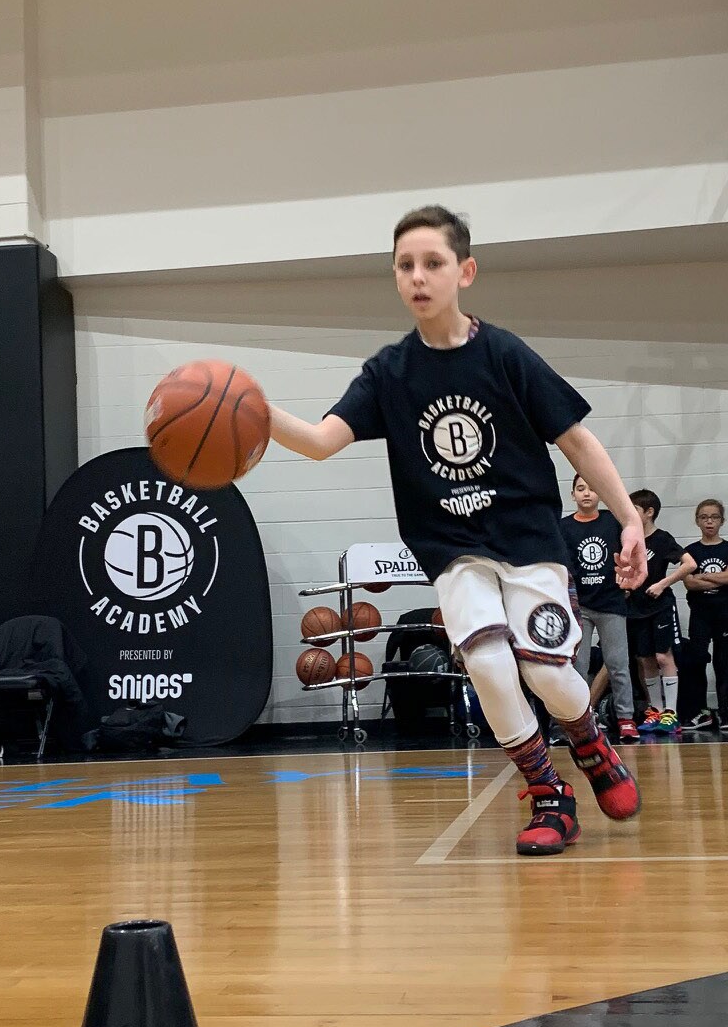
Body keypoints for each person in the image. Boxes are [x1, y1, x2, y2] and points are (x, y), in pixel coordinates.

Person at [266, 204, 644, 856]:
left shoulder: (504, 354)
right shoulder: (391, 372)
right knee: (493, 669)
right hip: (453, 552)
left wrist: (630, 519)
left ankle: (588, 739)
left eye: (433, 263)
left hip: (528, 541)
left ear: (464, 271)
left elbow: (577, 441)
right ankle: (546, 791)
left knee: (550, 673)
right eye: (405, 265)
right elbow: (322, 441)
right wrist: (253, 407)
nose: (419, 276)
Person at [561, 473, 638, 744]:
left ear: (599, 495)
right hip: (579, 607)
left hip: (611, 604)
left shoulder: (612, 521)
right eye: (580, 488)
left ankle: (626, 719)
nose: (586, 493)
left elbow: (629, 556)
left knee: (618, 664)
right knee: (577, 667)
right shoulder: (564, 527)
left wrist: (628, 579)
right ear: (572, 495)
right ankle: (581, 723)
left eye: (592, 488)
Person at [625, 489, 694, 736]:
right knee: (645, 660)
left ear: (649, 512)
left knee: (663, 657)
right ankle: (654, 710)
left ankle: (670, 714)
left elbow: (690, 564)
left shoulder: (662, 539)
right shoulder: (629, 539)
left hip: (660, 606)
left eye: (634, 509)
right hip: (636, 608)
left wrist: (663, 583)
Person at [682, 498, 728, 733]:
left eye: (714, 517)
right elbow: (689, 583)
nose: (709, 521)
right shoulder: (691, 551)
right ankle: (702, 712)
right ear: (697, 521)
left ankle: (725, 713)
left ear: (722, 520)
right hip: (700, 613)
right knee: (697, 662)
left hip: (724, 612)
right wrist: (721, 576)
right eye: (704, 517)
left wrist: (703, 577)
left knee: (721, 662)